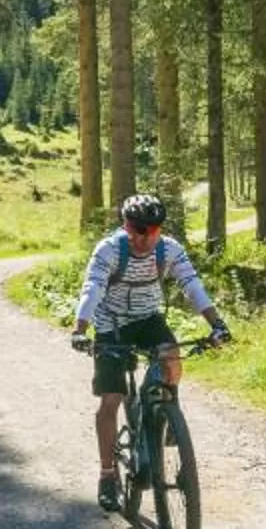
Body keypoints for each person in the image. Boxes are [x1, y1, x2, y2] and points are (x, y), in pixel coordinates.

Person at [70, 193, 230, 511]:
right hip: (111, 325)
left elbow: (191, 284)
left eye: (154, 229)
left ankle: (168, 412)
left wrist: (217, 323)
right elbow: (93, 288)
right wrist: (80, 329)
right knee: (111, 399)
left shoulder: (168, 249)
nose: (147, 237)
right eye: (140, 230)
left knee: (171, 359)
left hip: (148, 320)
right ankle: (107, 474)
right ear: (126, 227)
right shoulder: (110, 250)